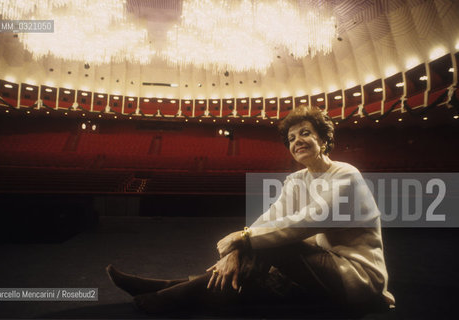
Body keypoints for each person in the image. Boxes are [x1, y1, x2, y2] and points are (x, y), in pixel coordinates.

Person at [106, 107, 395, 315]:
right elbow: (273, 217)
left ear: (324, 140)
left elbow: (308, 221)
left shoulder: (346, 175)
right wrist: (238, 247)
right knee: (260, 249)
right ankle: (170, 288)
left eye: (305, 133)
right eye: (291, 138)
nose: (297, 141)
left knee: (270, 244)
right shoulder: (297, 180)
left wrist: (245, 238)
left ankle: (169, 295)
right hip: (319, 267)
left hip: (355, 276)